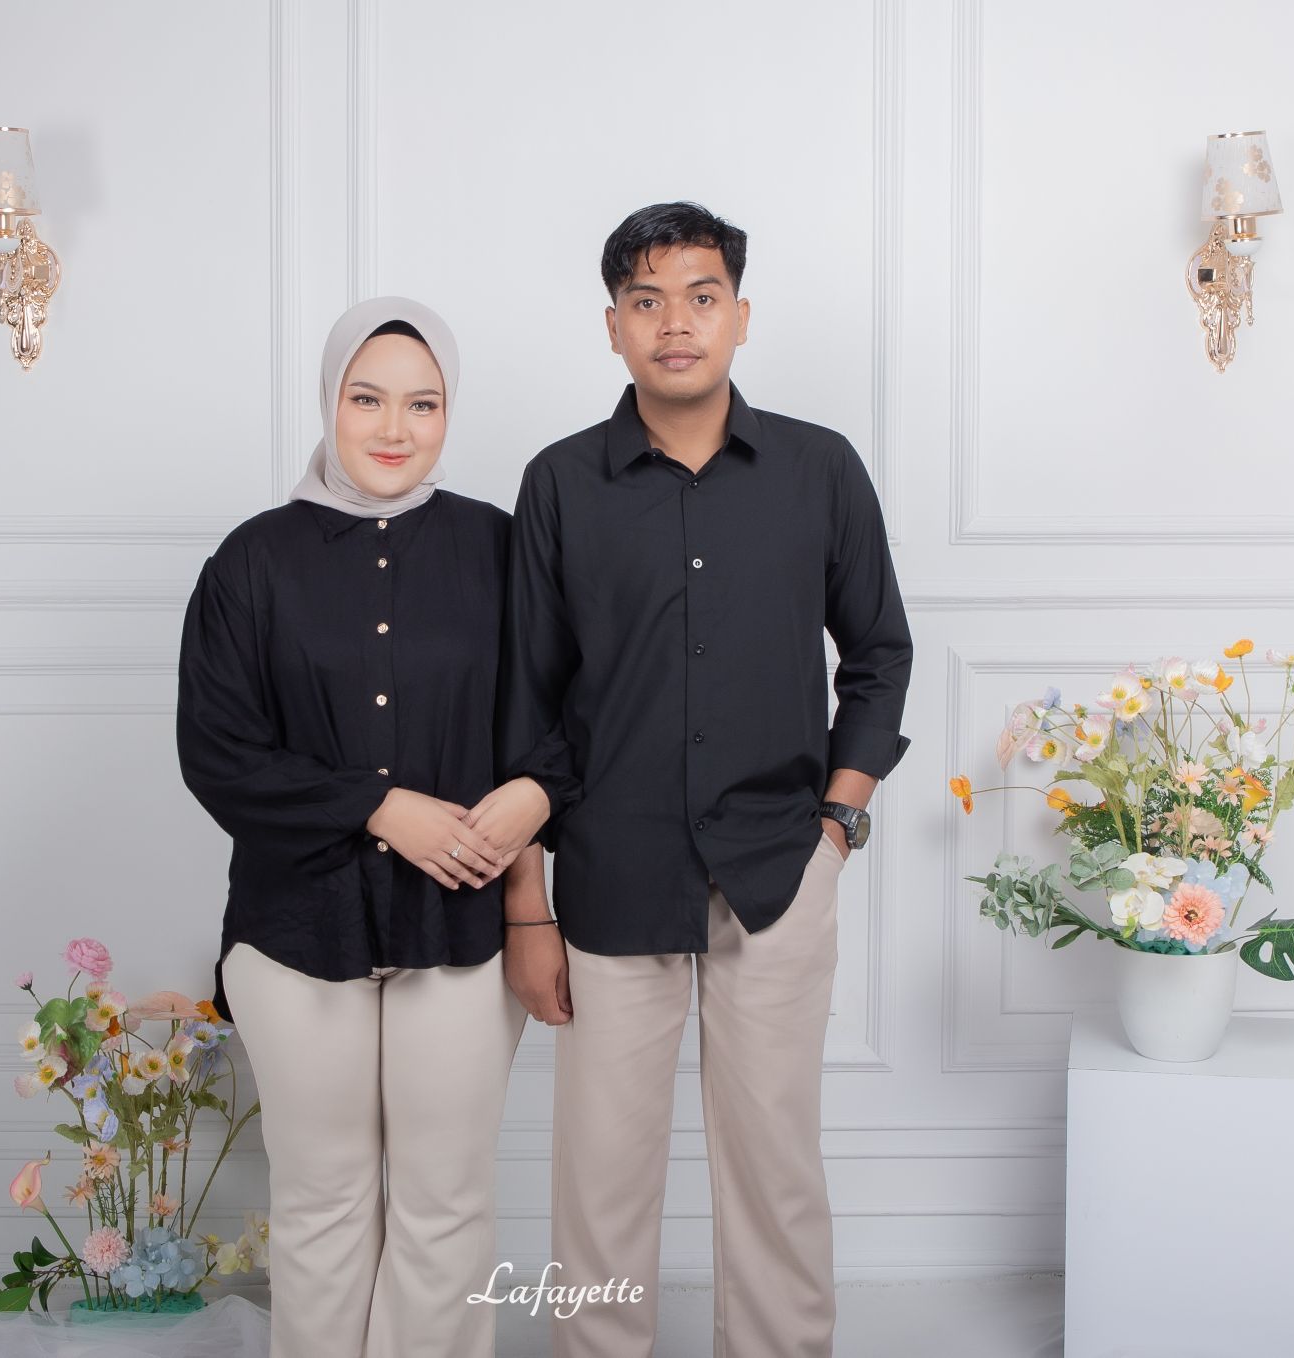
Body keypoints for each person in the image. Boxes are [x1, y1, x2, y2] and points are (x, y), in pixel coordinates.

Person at [497, 202, 914, 1357]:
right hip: (609, 872)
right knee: (599, 1176)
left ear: (739, 315)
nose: (672, 322)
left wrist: (837, 825)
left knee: (775, 1165)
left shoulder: (819, 469)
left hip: (778, 866)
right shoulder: (558, 484)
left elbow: (877, 653)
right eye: (645, 300)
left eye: (698, 296)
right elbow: (525, 706)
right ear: (612, 327)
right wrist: (526, 905)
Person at [176, 297, 546, 1358]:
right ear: (329, 402)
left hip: (460, 924)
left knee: (445, 1201)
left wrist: (534, 798)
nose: (394, 427)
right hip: (296, 929)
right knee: (322, 1199)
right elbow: (217, 751)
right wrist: (378, 805)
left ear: (448, 412)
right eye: (366, 398)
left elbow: (561, 716)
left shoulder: (501, 547)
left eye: (422, 403)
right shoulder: (251, 561)